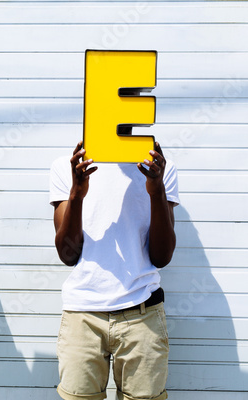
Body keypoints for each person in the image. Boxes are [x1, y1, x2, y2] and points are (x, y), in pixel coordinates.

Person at [49, 141, 179, 400]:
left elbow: (161, 256)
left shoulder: (160, 167)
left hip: (142, 313)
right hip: (83, 315)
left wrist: (156, 190)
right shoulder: (68, 166)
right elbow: (67, 254)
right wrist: (77, 193)